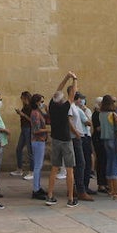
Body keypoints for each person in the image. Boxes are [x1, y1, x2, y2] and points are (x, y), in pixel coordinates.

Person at [45, 72, 77, 206]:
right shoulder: (65, 107)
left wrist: (66, 78)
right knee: (69, 169)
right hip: (66, 140)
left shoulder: (52, 106)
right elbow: (72, 93)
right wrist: (74, 79)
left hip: (55, 139)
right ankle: (70, 198)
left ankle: (50, 195)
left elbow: (58, 90)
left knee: (54, 168)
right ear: (62, 100)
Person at [98, 94, 117, 199]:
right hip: (114, 140)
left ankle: (110, 189)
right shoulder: (113, 114)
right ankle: (116, 191)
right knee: (115, 165)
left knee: (109, 164)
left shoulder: (101, 114)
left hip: (105, 140)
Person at [70, 92, 95, 200]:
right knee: (83, 163)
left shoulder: (73, 108)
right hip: (82, 137)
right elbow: (88, 123)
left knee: (79, 163)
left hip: (78, 136)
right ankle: (82, 188)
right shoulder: (78, 109)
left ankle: (77, 188)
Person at [28, 93, 49, 200]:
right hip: (37, 141)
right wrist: (48, 130)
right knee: (37, 166)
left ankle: (38, 186)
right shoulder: (35, 113)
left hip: (40, 141)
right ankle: (35, 189)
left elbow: (48, 119)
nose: (42, 104)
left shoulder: (39, 112)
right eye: (41, 101)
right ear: (36, 102)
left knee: (39, 166)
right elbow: (36, 130)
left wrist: (47, 110)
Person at [11, 91, 33, 179]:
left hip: (28, 129)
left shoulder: (31, 107)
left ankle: (32, 171)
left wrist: (22, 114)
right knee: (18, 148)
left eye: (22, 98)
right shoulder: (25, 107)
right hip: (23, 129)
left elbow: (32, 120)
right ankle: (19, 169)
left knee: (30, 151)